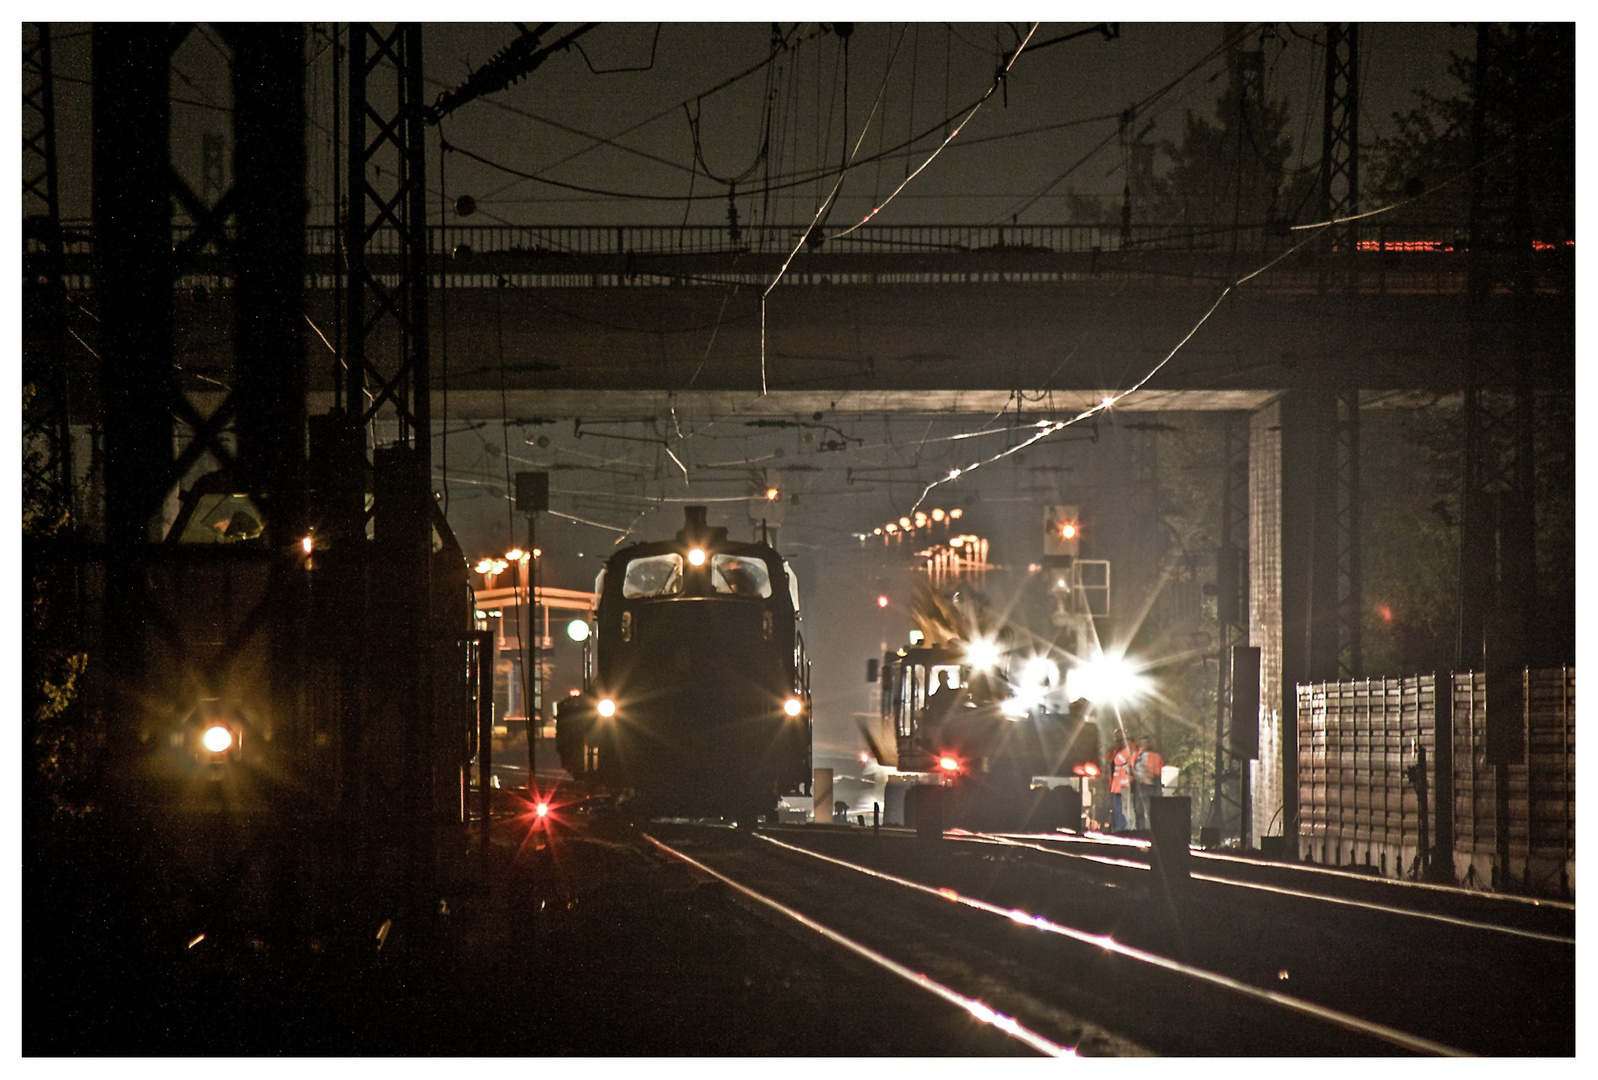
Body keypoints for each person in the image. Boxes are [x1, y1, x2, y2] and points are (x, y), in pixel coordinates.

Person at [1132, 735, 1164, 831]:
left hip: (1149, 786)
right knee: (1138, 811)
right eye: (1141, 742)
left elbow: (1158, 773)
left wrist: (1148, 774)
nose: (1143, 744)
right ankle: (1140, 831)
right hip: (1138, 786)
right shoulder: (1136, 755)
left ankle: (1151, 832)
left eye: (1145, 742)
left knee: (1150, 811)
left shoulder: (1155, 756)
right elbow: (1131, 768)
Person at [1109, 733, 1134, 832]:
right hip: (1117, 786)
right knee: (1118, 809)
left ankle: (1121, 829)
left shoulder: (1127, 751)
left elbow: (1117, 760)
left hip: (1122, 786)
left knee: (1121, 810)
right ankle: (1120, 827)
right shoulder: (1124, 751)